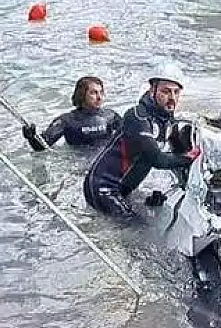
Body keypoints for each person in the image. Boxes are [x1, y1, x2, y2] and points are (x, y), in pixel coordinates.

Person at [83, 62, 200, 219]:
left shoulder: (166, 120)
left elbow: (170, 160)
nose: (172, 98)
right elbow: (157, 159)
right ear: (152, 90)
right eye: (165, 91)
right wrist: (189, 157)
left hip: (123, 188)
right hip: (102, 187)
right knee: (135, 228)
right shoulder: (137, 117)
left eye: (176, 92)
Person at [21, 75, 120, 151]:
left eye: (101, 92)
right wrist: (31, 137)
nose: (99, 97)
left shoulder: (111, 116)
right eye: (93, 93)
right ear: (82, 95)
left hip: (105, 163)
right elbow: (42, 146)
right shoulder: (67, 120)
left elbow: (129, 136)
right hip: (78, 166)